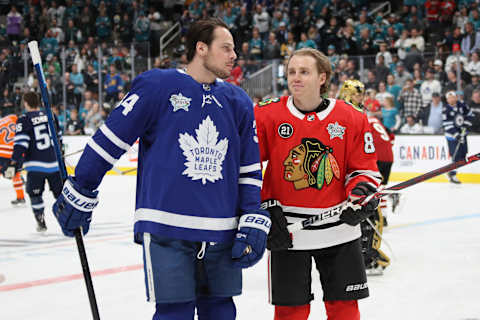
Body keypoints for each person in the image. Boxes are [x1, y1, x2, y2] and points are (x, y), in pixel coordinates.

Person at [51, 18, 269, 320]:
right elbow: (111, 138)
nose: (234, 55)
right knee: (174, 314)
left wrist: (251, 215)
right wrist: (83, 185)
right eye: (226, 48)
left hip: (223, 229)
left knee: (221, 312)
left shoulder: (238, 102)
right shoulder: (159, 86)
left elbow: (248, 167)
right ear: (201, 48)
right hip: (167, 226)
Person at [254, 48, 382, 320]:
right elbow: (246, 167)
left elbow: (364, 169)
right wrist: (262, 208)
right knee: (290, 313)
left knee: (344, 311)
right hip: (287, 231)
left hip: (340, 230)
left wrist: (360, 195)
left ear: (322, 77)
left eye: (304, 72)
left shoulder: (351, 117)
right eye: (291, 72)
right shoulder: (267, 115)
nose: (295, 78)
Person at [339, 79, 394, 276]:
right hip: (372, 163)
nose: (360, 98)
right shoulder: (360, 114)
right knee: (369, 206)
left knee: (367, 207)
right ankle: (365, 253)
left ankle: (367, 253)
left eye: (360, 94)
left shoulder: (348, 113)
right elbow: (390, 138)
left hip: (366, 165)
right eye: (357, 94)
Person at [4, 92, 63, 232]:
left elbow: (21, 144)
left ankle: (41, 220)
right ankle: (67, 220)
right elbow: (59, 139)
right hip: (55, 165)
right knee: (60, 195)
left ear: (25, 103)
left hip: (36, 166)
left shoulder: (24, 119)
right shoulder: (51, 115)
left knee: (35, 194)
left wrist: (13, 163)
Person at [443, 91, 474, 184]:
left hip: (463, 134)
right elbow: (447, 125)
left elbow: (470, 115)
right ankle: (452, 173)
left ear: (456, 97)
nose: (451, 99)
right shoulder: (446, 110)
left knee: (463, 156)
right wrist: (457, 135)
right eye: (449, 98)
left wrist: (466, 125)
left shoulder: (462, 105)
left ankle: (451, 172)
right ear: (447, 100)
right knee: (455, 156)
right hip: (452, 137)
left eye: (453, 97)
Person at [0, 114, 25, 205]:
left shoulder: (1, 122)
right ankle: (20, 196)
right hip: (16, 152)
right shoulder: (16, 119)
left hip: (2, 152)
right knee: (16, 174)